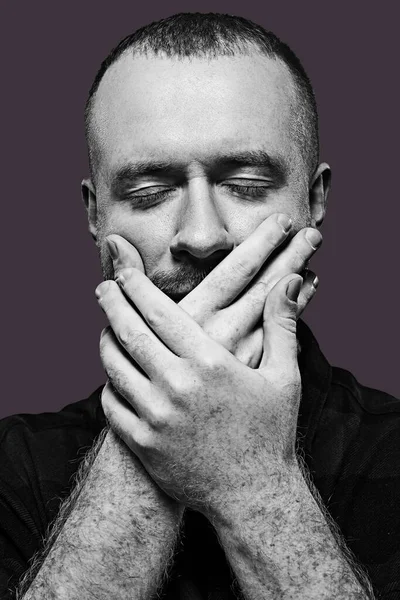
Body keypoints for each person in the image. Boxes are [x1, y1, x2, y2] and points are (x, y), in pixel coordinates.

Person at [1, 12, 398, 600]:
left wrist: (251, 483)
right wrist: (153, 444)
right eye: (150, 193)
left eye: (246, 185)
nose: (203, 236)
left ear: (314, 201)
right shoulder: (14, 467)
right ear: (95, 215)